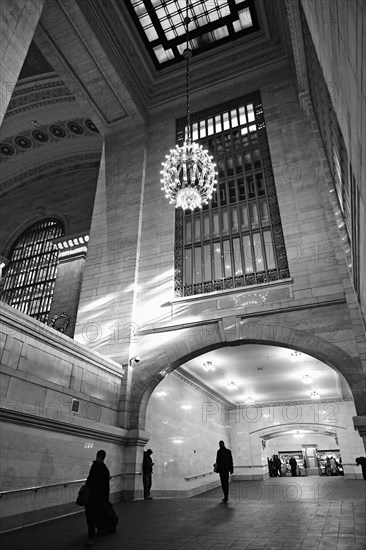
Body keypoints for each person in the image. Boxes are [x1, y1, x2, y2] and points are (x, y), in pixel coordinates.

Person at [84, 450, 111, 547]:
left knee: (90, 516)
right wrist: (106, 498)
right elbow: (106, 486)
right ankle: (99, 529)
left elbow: (89, 481)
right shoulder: (104, 469)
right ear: (104, 457)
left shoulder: (94, 466)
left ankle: (91, 535)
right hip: (99, 497)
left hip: (91, 496)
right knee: (97, 514)